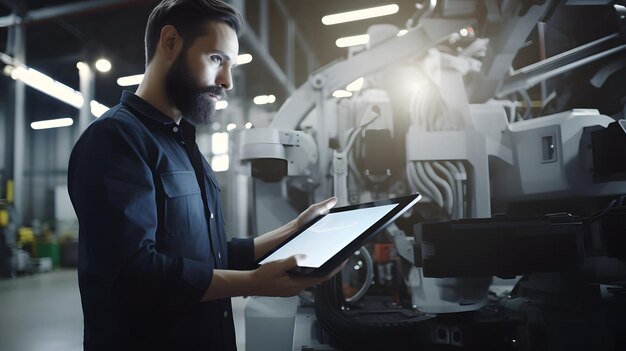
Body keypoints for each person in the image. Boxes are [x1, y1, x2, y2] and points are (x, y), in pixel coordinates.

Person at [67, 0, 340, 349]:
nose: (226, 81)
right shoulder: (114, 140)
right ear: (170, 43)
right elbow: (134, 273)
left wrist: (294, 229)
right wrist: (255, 282)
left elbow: (204, 256)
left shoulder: (185, 145)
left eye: (230, 65)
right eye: (216, 59)